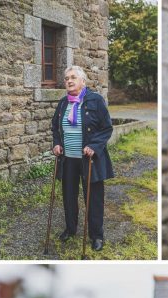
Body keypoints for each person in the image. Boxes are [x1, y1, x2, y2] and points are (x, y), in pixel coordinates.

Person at [51, 66, 114, 252]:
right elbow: (55, 127)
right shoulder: (63, 103)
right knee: (69, 196)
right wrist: (56, 143)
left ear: (83, 82)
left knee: (93, 198)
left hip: (89, 159)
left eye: (73, 78)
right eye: (66, 78)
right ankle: (70, 229)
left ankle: (96, 235)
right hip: (68, 158)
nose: (69, 81)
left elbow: (106, 128)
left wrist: (93, 146)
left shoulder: (95, 100)